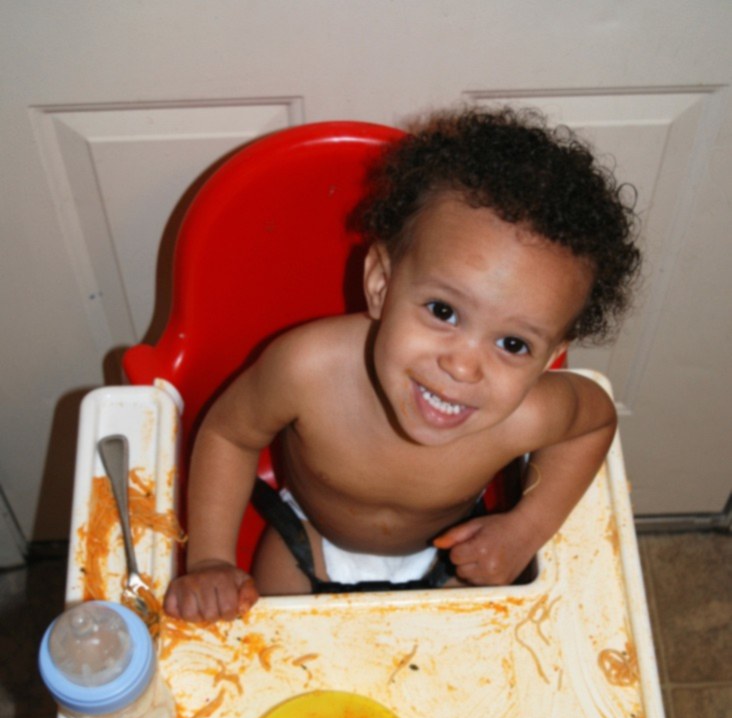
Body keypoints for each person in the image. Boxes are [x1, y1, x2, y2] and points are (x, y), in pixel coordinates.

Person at [164, 106, 641, 622]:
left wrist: (526, 528)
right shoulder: (308, 369)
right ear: (381, 285)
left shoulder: (525, 415)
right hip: (309, 542)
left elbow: (595, 420)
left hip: (451, 552)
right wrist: (209, 558)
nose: (462, 367)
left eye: (513, 344)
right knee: (273, 656)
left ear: (550, 355)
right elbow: (229, 435)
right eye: (443, 311)